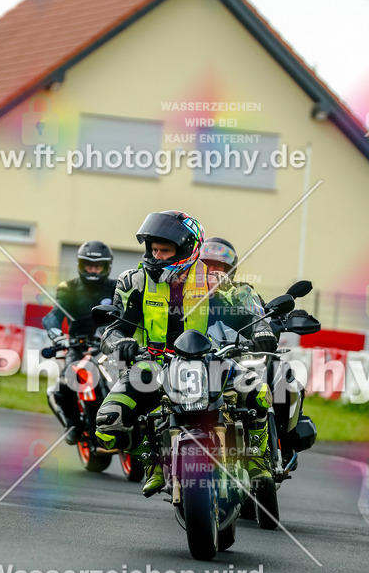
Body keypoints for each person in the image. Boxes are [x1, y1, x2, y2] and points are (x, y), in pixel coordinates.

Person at [95, 212, 275, 495]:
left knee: (257, 390)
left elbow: (249, 314)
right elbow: (113, 330)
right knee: (108, 423)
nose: (156, 255)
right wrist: (121, 344)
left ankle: (256, 459)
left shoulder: (213, 281)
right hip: (152, 366)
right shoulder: (134, 282)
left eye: (165, 250)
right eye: (153, 249)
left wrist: (262, 331)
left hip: (210, 362)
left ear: (188, 249)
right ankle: (154, 462)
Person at [42, 240, 116, 444]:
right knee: (64, 386)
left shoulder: (117, 287)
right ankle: (73, 425)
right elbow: (54, 316)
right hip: (78, 346)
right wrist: (57, 334)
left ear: (107, 267)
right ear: (81, 266)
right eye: (88, 265)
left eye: (97, 266)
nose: (93, 270)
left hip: (110, 346)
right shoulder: (69, 288)